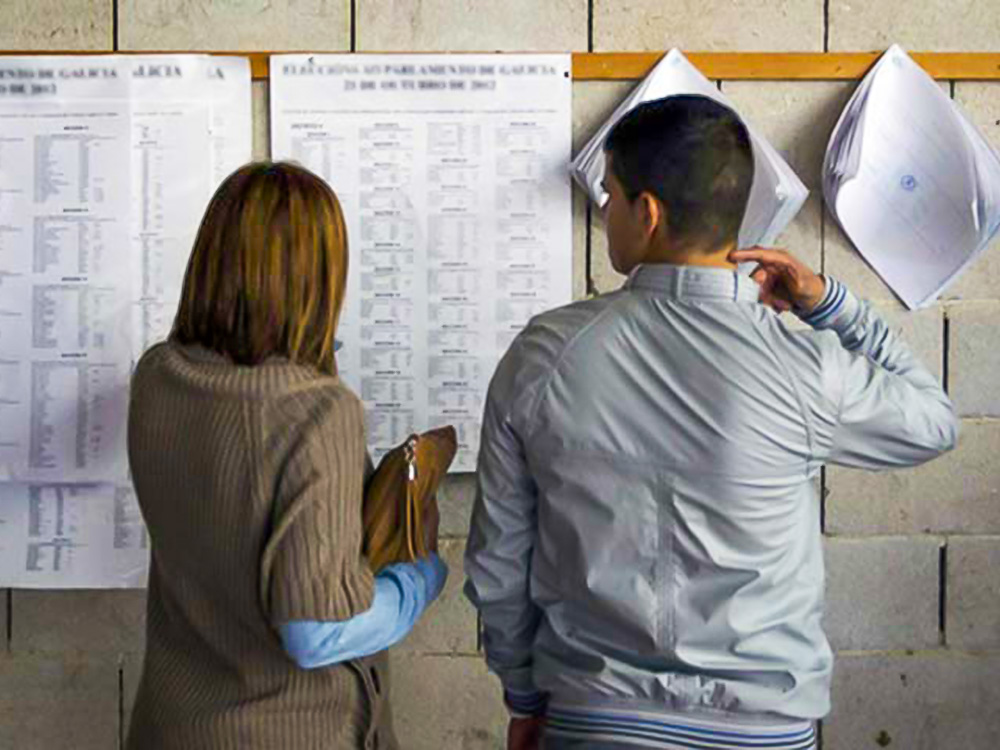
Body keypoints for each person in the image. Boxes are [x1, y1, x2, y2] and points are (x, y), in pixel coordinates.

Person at [464, 95, 957, 750]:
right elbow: (933, 420)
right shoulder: (804, 364)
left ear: (649, 213)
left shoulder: (545, 355)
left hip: (596, 719)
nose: (605, 213)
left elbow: (500, 553)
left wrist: (522, 693)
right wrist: (832, 306)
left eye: (609, 196)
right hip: (763, 729)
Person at [126, 162, 447, 750]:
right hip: (287, 731)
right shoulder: (318, 413)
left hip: (168, 725)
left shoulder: (157, 376)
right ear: (319, 279)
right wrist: (418, 582)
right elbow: (316, 634)